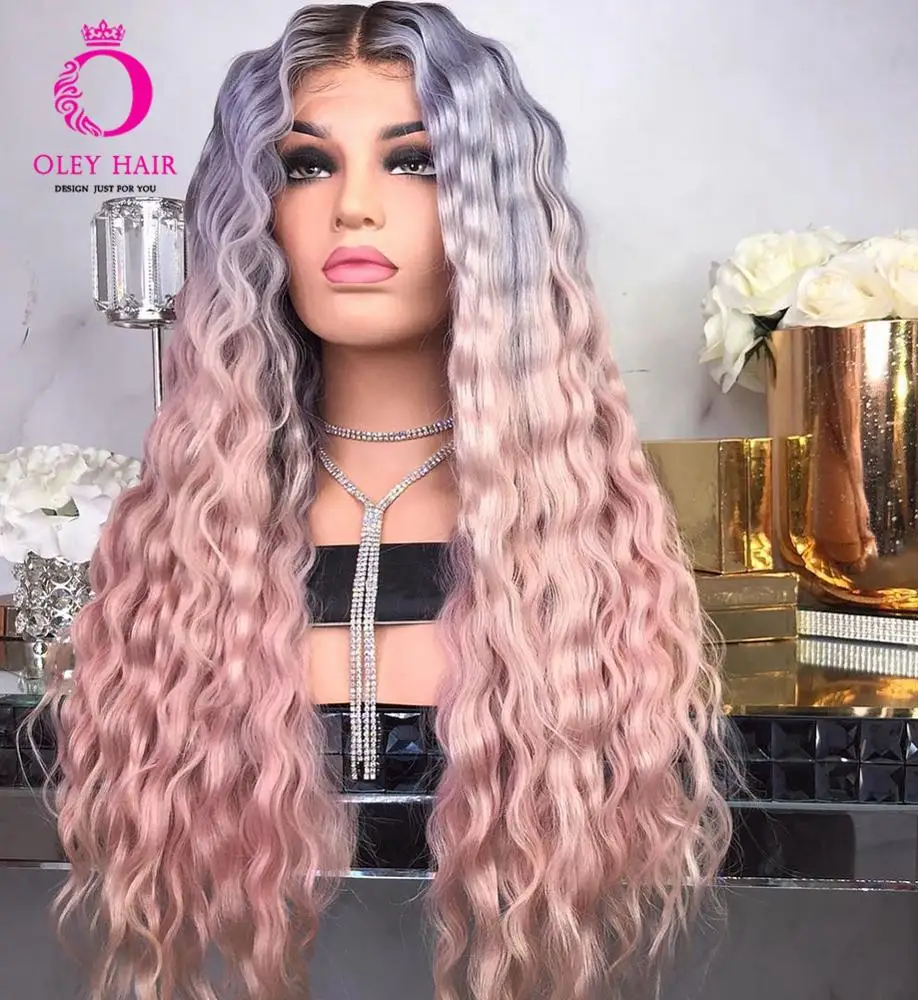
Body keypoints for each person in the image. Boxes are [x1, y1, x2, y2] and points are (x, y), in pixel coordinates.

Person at [33, 4, 735, 999]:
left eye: (414, 162)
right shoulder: (188, 549)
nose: (353, 207)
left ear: (489, 211)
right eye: (306, 167)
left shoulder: (579, 551)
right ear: (256, 215)